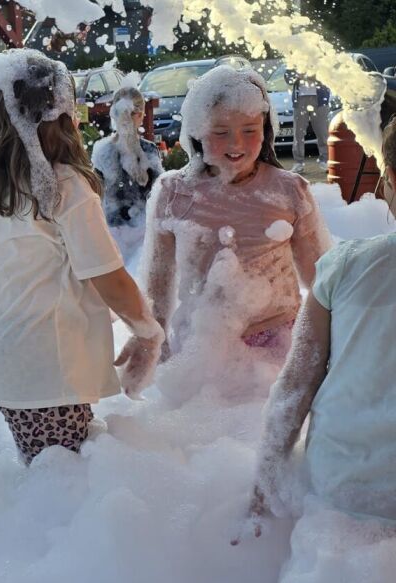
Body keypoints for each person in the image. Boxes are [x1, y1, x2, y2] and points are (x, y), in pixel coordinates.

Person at [0, 49, 164, 465]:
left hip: (8, 364)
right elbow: (108, 277)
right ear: (57, 116)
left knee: (50, 474)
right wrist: (149, 332)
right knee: (63, 481)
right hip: (49, 371)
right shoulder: (65, 188)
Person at [233, 117, 396, 542]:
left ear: (389, 178)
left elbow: (295, 384)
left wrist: (264, 486)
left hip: (345, 489)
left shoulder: (346, 267)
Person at [142, 66, 331, 363]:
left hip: (277, 345)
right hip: (201, 342)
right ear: (197, 132)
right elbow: (159, 276)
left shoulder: (288, 190)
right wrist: (153, 338)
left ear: (265, 130)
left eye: (249, 130)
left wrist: (330, 338)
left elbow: (321, 278)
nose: (236, 144)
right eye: (220, 132)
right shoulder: (175, 192)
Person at [91, 85, 163, 258]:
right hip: (142, 232)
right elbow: (159, 194)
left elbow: (95, 195)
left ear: (113, 114)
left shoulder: (102, 150)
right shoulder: (149, 150)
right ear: (141, 115)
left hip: (112, 232)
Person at [283, 68, 331, 174]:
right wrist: (297, 75)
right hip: (299, 100)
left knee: (322, 132)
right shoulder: (294, 60)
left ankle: (326, 160)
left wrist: (314, 76)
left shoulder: (318, 58)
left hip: (319, 99)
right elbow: (288, 79)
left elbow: (328, 75)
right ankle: (298, 163)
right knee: (298, 133)